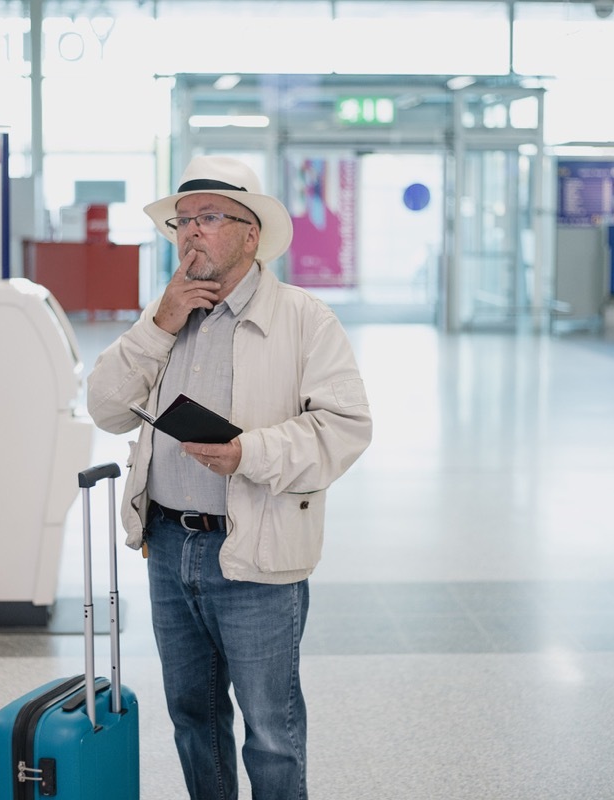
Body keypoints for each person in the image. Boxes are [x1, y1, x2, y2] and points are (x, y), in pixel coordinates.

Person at [86, 155, 372, 800]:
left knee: (271, 729)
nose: (191, 231)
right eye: (183, 220)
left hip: (255, 554)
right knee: (194, 720)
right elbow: (104, 407)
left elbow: (346, 427)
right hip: (167, 546)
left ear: (251, 234)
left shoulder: (304, 319)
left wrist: (250, 453)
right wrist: (157, 324)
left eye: (210, 217)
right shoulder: (164, 318)